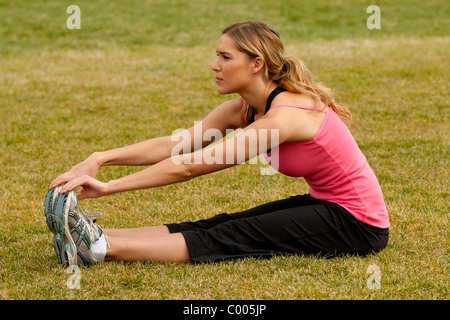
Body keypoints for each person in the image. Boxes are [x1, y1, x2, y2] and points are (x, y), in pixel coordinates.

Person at [45, 21, 389, 267]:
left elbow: (190, 166)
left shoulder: (284, 118)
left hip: (357, 224)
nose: (215, 65)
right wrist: (100, 158)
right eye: (217, 55)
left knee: (236, 234)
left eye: (226, 57)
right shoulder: (245, 108)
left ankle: (101, 248)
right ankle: (96, 234)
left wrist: (108, 188)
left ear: (256, 64)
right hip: (326, 203)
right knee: (220, 222)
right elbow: (176, 146)